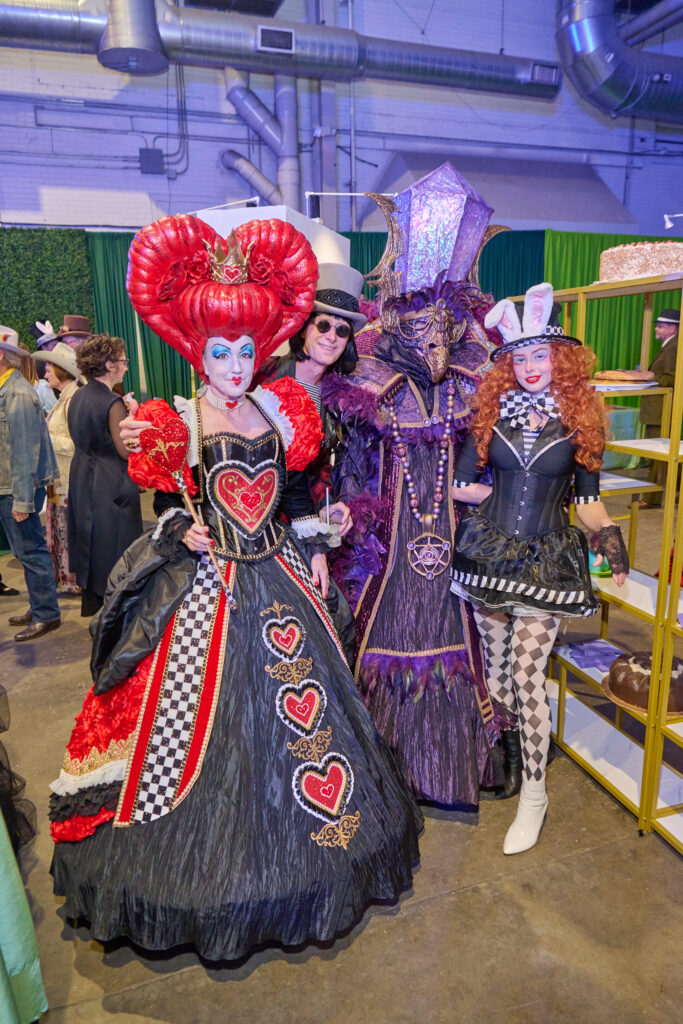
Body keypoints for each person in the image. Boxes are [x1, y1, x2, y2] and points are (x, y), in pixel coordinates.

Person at [49, 214, 422, 962]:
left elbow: (288, 499)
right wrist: (179, 531)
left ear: (258, 352)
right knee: (195, 721)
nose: (234, 363)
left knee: (302, 713)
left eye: (245, 350)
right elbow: (168, 503)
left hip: (277, 571)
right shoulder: (176, 420)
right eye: (220, 351)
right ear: (200, 352)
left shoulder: (283, 411)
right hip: (208, 582)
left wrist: (317, 534)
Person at [450, 283, 629, 855]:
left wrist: (608, 533)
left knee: (528, 674)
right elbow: (461, 484)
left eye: (540, 355)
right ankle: (510, 758)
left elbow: (587, 501)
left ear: (560, 360)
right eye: (520, 357)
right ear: (509, 365)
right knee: (497, 673)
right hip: (488, 557)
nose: (530, 367)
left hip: (547, 561)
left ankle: (534, 794)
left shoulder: (580, 423)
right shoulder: (491, 417)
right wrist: (495, 497)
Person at [255, 263, 365, 536]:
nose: (332, 337)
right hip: (250, 515)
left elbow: (319, 469)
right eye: (324, 325)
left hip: (298, 525)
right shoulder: (261, 373)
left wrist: (326, 506)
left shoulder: (336, 400)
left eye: (342, 330)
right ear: (304, 328)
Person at [67, 333, 142, 616]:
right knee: (116, 549)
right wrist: (136, 422)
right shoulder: (113, 402)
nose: (126, 366)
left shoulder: (78, 396)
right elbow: (126, 451)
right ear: (109, 365)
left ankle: (96, 610)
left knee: (91, 546)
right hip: (110, 484)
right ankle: (116, 617)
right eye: (123, 361)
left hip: (82, 478)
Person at [0, 327, 61, 642]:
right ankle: (40, 606)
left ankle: (46, 614)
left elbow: (25, 450)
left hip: (16, 488)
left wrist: (23, 500)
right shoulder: (9, 389)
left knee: (31, 552)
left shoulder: (18, 394)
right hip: (10, 485)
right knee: (26, 552)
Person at [32, 343, 84, 594]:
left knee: (67, 531)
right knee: (59, 530)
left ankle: (72, 580)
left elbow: (76, 444)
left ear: (63, 371)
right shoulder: (63, 400)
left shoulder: (73, 401)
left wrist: (44, 437)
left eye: (49, 370)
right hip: (59, 480)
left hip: (68, 480)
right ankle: (66, 579)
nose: (45, 375)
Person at [639, 307, 680, 509]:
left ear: (673, 328)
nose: (656, 328)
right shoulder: (669, 346)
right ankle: (677, 491)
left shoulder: (673, 347)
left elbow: (673, 379)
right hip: (658, 410)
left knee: (657, 455)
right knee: (663, 455)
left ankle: (652, 498)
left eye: (661, 326)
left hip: (661, 411)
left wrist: (651, 376)